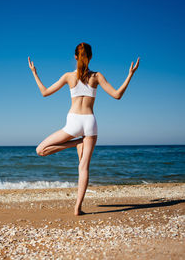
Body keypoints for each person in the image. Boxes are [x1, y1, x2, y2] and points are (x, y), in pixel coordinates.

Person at [28, 42, 139, 216]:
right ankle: (77, 208)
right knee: (83, 168)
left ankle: (76, 143)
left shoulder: (68, 77)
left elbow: (44, 92)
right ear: (91, 56)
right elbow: (117, 95)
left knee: (40, 150)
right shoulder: (97, 76)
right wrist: (130, 75)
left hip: (73, 123)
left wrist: (34, 73)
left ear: (75, 57)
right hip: (90, 123)